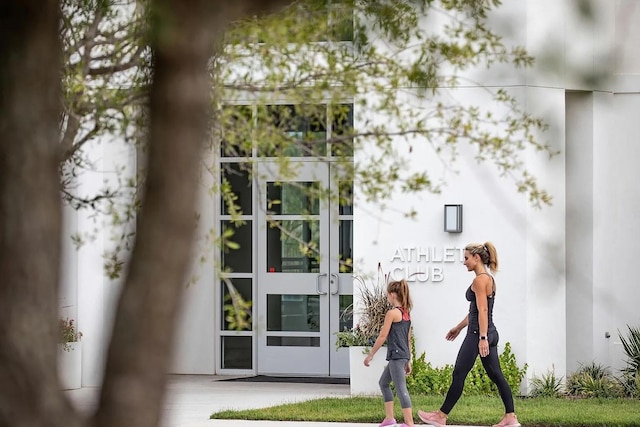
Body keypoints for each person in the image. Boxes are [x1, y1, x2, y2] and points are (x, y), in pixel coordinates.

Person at [418, 242, 521, 427]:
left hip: (477, 335)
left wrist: (482, 338)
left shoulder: (479, 280)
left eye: (466, 258)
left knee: (459, 374)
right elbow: (476, 311)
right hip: (489, 331)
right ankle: (510, 417)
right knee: (496, 375)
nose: (464, 262)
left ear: (477, 257)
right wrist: (458, 327)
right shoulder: (488, 279)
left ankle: (441, 416)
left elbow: (482, 310)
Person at [364, 279, 415, 427]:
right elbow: (408, 339)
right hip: (402, 355)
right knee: (383, 383)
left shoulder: (392, 313)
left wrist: (371, 355)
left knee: (400, 388)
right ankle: (389, 418)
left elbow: (382, 336)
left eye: (387, 294)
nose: (387, 296)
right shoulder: (406, 313)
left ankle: (409, 423)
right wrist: (408, 359)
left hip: (396, 355)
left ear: (392, 294)